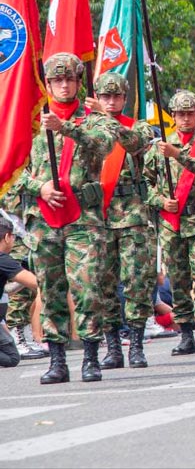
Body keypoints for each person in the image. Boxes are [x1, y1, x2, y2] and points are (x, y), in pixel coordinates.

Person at [23, 53, 115, 384]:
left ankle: (91, 355)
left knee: (88, 287)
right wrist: (40, 186)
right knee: (50, 290)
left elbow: (104, 145)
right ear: (47, 85)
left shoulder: (94, 119)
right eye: (56, 80)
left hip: (83, 219)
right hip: (44, 220)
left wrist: (66, 128)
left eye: (69, 79)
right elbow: (14, 173)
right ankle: (57, 360)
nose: (63, 85)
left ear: (79, 82)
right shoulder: (32, 122)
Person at [88, 72, 155, 370]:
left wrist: (107, 120)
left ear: (125, 98)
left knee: (137, 282)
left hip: (132, 216)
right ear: (97, 97)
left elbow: (135, 144)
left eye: (116, 97)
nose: (111, 102)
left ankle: (137, 344)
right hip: (96, 217)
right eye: (105, 96)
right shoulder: (85, 129)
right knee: (103, 285)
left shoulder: (138, 127)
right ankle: (113, 346)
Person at [146, 89, 195, 357]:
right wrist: (160, 201)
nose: (185, 118)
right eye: (180, 114)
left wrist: (178, 155)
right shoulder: (159, 148)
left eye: (190, 113)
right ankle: (186, 333)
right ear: (173, 116)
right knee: (178, 279)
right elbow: (146, 184)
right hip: (172, 222)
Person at [0, 214, 39, 367]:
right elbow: (36, 283)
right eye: (15, 238)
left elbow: (7, 290)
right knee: (11, 358)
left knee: (10, 352)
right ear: (8, 237)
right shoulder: (3, 259)